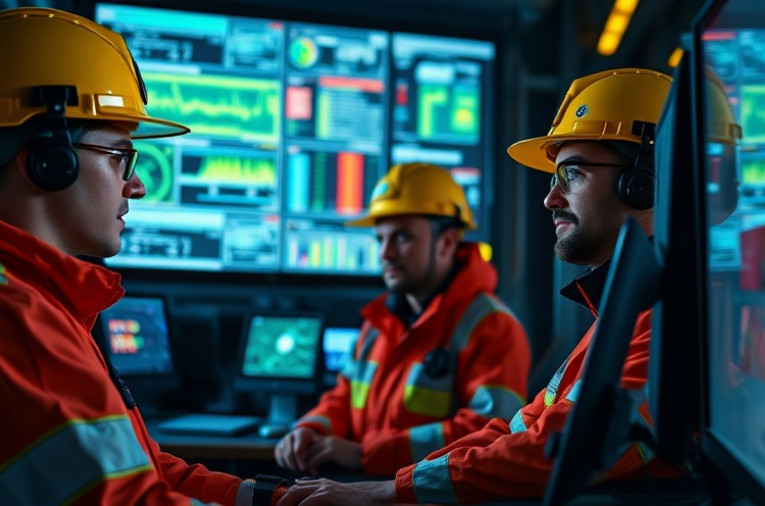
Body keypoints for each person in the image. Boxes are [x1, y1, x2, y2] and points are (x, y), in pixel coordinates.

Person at [277, 67, 682, 505]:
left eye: (572, 174)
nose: (550, 199)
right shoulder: (622, 318)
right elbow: (515, 432)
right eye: (554, 180)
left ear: (642, 183)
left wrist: (386, 485)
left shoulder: (667, 324)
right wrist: (320, 433)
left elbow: (557, 447)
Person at [0, 7, 288, 505]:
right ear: (48, 162)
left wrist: (270, 498)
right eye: (119, 156)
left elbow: (137, 468)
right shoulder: (20, 325)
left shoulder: (44, 304)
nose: (138, 184)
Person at [274, 162, 531, 477]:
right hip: (365, 490)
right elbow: (342, 397)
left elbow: (491, 434)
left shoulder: (492, 327)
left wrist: (367, 454)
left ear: (447, 242)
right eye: (380, 239)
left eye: (401, 238)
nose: (385, 253)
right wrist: (311, 428)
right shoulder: (379, 322)